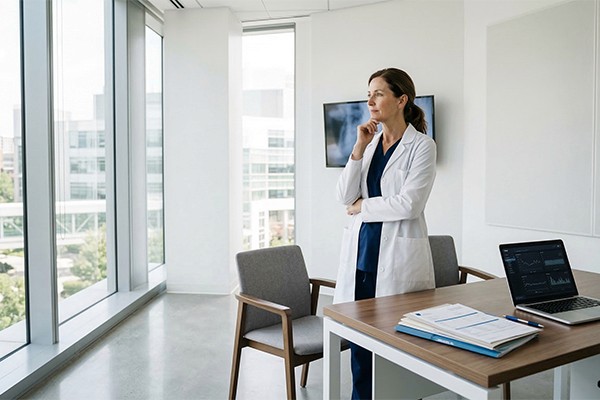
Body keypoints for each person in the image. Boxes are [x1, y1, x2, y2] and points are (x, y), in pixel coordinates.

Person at [334, 68, 437, 399]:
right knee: (361, 345)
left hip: (397, 261)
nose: (370, 101)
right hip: (364, 257)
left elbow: (409, 204)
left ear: (401, 99)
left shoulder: (422, 146)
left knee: (399, 345)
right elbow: (344, 198)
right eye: (368, 95)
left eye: (378, 93)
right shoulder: (370, 143)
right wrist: (357, 148)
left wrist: (363, 207)